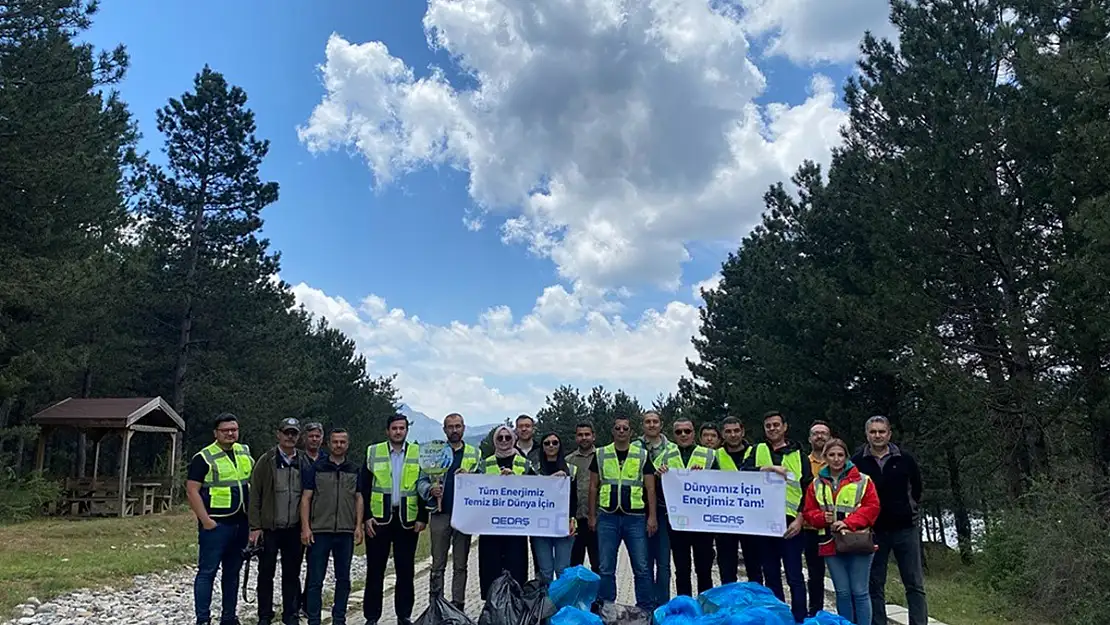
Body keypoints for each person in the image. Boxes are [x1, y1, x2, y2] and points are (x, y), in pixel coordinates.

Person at [851, 416, 927, 625]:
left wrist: (908, 510)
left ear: (889, 434)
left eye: (881, 431)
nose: (877, 435)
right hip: (873, 531)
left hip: (905, 529)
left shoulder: (905, 459)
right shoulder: (857, 462)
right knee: (875, 584)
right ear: (867, 434)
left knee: (914, 584)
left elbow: (917, 489)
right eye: (873, 432)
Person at [743, 410, 812, 623]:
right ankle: (778, 617)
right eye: (768, 426)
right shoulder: (756, 450)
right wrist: (769, 468)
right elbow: (742, 473)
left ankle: (799, 617)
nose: (772, 429)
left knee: (794, 575)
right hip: (764, 523)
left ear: (784, 427)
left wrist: (801, 519)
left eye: (776, 425)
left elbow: (808, 489)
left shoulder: (799, 455)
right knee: (771, 573)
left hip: (791, 522)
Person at [803, 438, 880, 625]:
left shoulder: (863, 480)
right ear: (825, 457)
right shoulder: (816, 484)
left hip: (858, 540)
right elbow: (808, 511)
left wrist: (848, 523)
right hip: (829, 542)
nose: (836, 459)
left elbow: (872, 507)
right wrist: (821, 519)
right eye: (831, 455)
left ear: (846, 457)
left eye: (840, 455)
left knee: (860, 591)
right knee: (842, 592)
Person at [186, 412, 253, 625]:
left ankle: (229, 617)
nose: (231, 434)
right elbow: (192, 490)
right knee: (208, 572)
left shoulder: (244, 452)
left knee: (232, 573)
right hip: (216, 524)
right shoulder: (203, 457)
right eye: (226, 430)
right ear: (216, 433)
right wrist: (206, 521)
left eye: (234, 429)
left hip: (241, 523)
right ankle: (203, 619)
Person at [589, 416, 658, 611]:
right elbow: (593, 486)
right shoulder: (601, 453)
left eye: (625, 428)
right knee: (606, 567)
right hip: (607, 517)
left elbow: (650, 489)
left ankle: (645, 609)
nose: (621, 431)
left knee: (642, 567)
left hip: (635, 517)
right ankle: (608, 608)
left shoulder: (642, 455)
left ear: (630, 432)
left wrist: (652, 516)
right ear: (613, 431)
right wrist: (592, 516)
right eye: (617, 428)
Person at [362, 414, 426, 625]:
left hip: (407, 519)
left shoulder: (418, 453)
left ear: (407, 431)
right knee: (375, 570)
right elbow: (363, 487)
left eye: (402, 428)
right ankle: (372, 617)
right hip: (379, 520)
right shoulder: (374, 452)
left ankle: (404, 615)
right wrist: (366, 517)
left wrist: (422, 517)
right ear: (387, 431)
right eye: (394, 428)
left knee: (406, 570)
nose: (398, 432)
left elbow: (424, 485)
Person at [248, 418, 311, 625]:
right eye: (286, 432)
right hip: (270, 529)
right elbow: (255, 494)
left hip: (294, 529)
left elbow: (311, 495)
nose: (290, 437)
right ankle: (265, 615)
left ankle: (290, 614)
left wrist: (307, 526)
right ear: (279, 434)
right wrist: (255, 526)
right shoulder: (266, 461)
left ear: (298, 436)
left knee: (292, 574)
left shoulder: (304, 461)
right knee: (266, 574)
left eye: (294, 433)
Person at [417, 413, 481, 610]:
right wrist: (430, 490)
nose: (454, 430)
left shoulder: (474, 453)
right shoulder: (434, 452)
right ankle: (436, 603)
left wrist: (470, 477)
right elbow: (421, 481)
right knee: (437, 565)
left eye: (458, 426)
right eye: (450, 426)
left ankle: (458, 605)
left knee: (460, 565)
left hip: (463, 516)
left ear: (464, 428)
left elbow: (483, 482)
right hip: (440, 514)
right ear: (444, 430)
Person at [300, 429, 364, 625]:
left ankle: (339, 619)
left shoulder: (354, 469)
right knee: (315, 581)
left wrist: (358, 526)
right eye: (335, 442)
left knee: (343, 580)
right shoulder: (316, 468)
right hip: (319, 531)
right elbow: (306, 498)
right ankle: (314, 619)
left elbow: (359, 498)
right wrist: (305, 527)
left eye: (342, 442)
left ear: (348, 444)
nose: (339, 445)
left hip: (345, 531)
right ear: (328, 444)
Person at [658, 417, 716, 597]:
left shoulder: (709, 455)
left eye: (687, 431)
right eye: (678, 432)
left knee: (704, 569)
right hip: (678, 522)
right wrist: (659, 473)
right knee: (682, 570)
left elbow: (721, 485)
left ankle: (705, 607)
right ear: (673, 435)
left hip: (702, 522)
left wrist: (706, 476)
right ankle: (685, 607)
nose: (683, 435)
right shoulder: (665, 455)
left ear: (693, 433)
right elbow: (655, 485)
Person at [478, 425, 530, 598]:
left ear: (514, 439)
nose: (504, 441)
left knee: (516, 565)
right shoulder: (485, 463)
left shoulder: (524, 463)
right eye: (500, 438)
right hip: (490, 525)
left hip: (516, 525)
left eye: (508, 437)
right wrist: (464, 477)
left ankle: (516, 602)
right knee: (489, 566)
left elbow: (536, 488)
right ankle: (492, 604)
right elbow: (475, 487)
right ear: (495, 441)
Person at [715, 416, 761, 585]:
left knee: (755, 569)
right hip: (725, 522)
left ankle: (755, 607)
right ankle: (730, 607)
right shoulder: (715, 455)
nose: (733, 435)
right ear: (722, 434)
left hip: (752, 521)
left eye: (736, 431)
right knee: (727, 570)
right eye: (728, 431)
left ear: (742, 431)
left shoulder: (756, 452)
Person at [528, 432, 578, 583]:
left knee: (563, 569)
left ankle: (562, 603)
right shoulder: (534, 469)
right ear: (542, 447)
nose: (551, 446)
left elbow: (574, 498)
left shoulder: (571, 468)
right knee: (545, 571)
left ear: (560, 445)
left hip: (562, 524)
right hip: (540, 526)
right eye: (547, 443)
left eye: (555, 443)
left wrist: (572, 519)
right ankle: (546, 605)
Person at [638, 410, 671, 608]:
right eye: (647, 422)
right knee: (644, 562)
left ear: (661, 424)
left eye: (655, 421)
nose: (651, 425)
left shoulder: (672, 449)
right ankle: (647, 605)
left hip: (664, 509)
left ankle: (663, 605)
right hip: (637, 510)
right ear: (643, 425)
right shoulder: (634, 447)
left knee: (664, 563)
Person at [804, 420, 832, 617]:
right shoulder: (803, 462)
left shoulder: (838, 461)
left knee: (841, 576)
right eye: (816, 433)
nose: (819, 436)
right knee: (815, 575)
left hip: (836, 528)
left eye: (823, 433)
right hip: (810, 528)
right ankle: (816, 613)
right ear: (809, 438)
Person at [566, 422, 599, 572]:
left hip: (598, 518)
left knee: (599, 563)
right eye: (580, 435)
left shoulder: (602, 457)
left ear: (594, 436)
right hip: (576, 520)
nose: (584, 437)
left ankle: (600, 595)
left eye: (587, 434)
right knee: (574, 563)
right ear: (576, 437)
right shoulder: (568, 461)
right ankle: (576, 595)